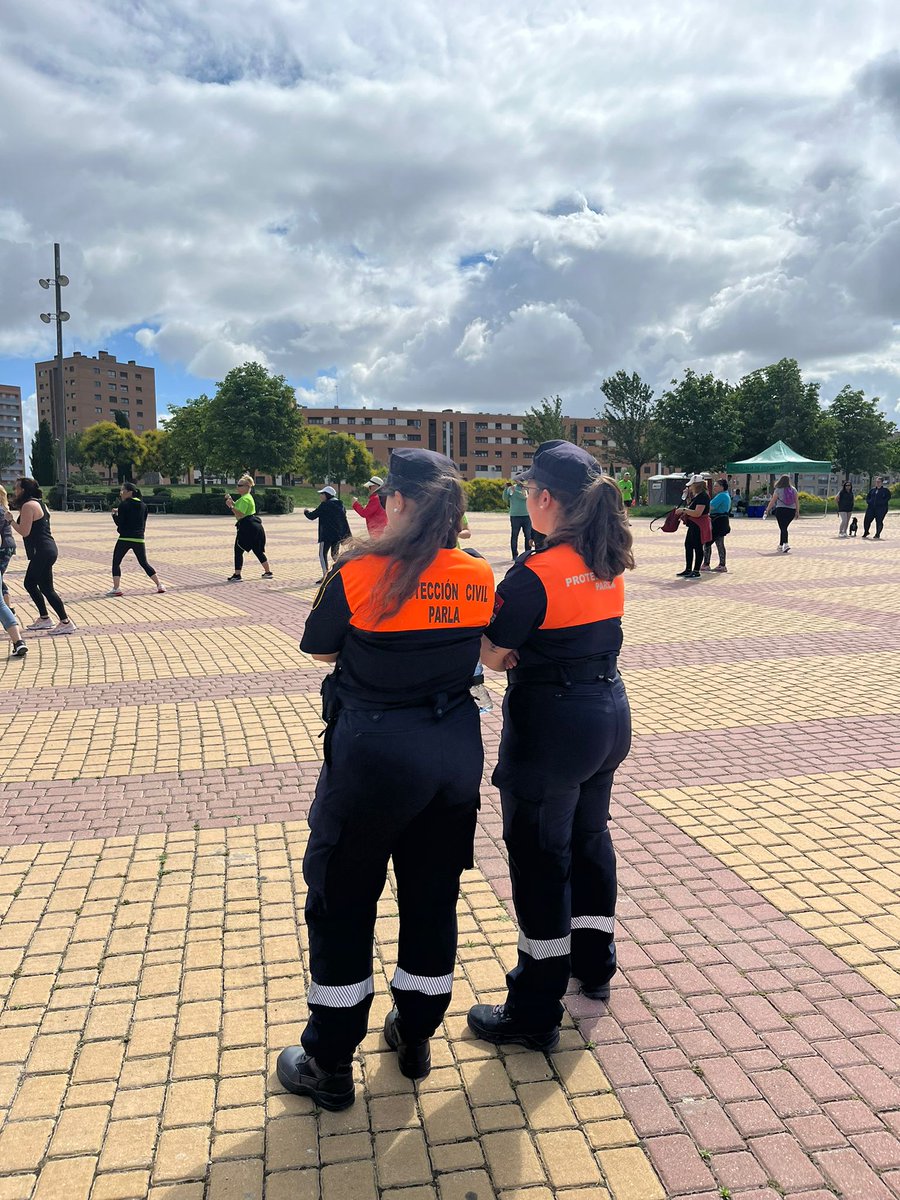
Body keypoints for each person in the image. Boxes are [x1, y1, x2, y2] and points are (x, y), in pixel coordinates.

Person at [277, 448, 495, 1110]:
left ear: (395, 502)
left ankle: (331, 1060)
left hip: (373, 759)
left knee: (342, 903)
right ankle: (417, 1034)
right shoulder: (480, 573)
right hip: (452, 756)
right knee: (432, 900)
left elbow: (319, 647)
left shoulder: (360, 570)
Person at [465, 440, 634, 1050]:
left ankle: (534, 1007)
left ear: (542, 499)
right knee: (590, 841)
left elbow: (491, 652)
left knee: (540, 857)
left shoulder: (532, 574)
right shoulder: (605, 557)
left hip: (554, 726)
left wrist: (505, 653)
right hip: (608, 714)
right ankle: (593, 965)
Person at [10, 478, 76, 634]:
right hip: (47, 549)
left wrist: (10, 521)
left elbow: (24, 531)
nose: (15, 491)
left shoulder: (28, 506)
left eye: (17, 488)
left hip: (42, 551)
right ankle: (45, 618)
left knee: (34, 585)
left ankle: (65, 621)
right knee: (42, 586)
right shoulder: (39, 503)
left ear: (24, 490)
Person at [106, 483, 166, 596]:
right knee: (144, 563)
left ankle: (116, 588)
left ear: (130, 492)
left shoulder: (124, 505)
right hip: (139, 538)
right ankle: (159, 585)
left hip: (124, 538)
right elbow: (143, 522)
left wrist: (114, 514)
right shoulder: (143, 505)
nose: (121, 493)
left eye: (122, 491)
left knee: (116, 562)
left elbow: (120, 523)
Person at [225, 474, 273, 582]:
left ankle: (237, 575)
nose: (237, 487)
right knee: (257, 550)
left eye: (240, 485)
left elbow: (240, 514)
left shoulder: (245, 499)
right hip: (255, 526)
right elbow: (238, 507)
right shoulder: (246, 497)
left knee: (238, 549)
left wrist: (230, 506)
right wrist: (232, 502)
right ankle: (268, 572)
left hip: (247, 527)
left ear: (247, 487)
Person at [304, 486, 351, 583]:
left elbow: (312, 516)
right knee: (335, 555)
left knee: (322, 554)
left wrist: (306, 511)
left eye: (322, 494)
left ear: (327, 495)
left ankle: (325, 576)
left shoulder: (325, 505)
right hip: (337, 535)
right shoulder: (340, 505)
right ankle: (343, 572)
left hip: (326, 535)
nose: (320, 496)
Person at [674, 478, 711, 578]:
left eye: (691, 485)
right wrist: (686, 497)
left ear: (697, 485)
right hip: (693, 524)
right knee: (688, 545)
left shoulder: (703, 496)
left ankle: (696, 570)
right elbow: (692, 507)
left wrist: (684, 510)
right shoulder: (697, 496)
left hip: (699, 525)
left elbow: (697, 513)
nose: (689, 487)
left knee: (698, 547)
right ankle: (688, 569)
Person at [702, 479, 732, 572]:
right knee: (719, 543)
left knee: (708, 542)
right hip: (722, 521)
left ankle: (706, 564)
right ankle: (722, 564)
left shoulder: (722, 496)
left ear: (722, 487)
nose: (714, 487)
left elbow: (710, 506)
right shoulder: (725, 495)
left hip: (718, 521)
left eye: (716, 486)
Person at [766, 475, 799, 553]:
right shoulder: (794, 489)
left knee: (783, 528)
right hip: (791, 511)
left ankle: (785, 544)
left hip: (780, 510)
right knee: (784, 527)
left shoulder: (778, 489)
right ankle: (781, 545)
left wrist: (767, 510)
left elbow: (773, 501)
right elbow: (797, 501)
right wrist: (797, 511)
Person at [503, 478, 532, 559]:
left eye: (522, 480)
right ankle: (514, 555)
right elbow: (505, 498)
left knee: (528, 536)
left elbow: (524, 497)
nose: (520, 482)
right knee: (514, 536)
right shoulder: (511, 488)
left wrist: (518, 490)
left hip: (526, 515)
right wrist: (506, 489)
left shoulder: (526, 488)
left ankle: (527, 553)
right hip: (515, 516)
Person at [0, 485, 17, 615]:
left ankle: (7, 609)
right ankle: (8, 607)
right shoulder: (3, 509)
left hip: (3, 547)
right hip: (7, 546)